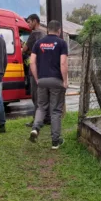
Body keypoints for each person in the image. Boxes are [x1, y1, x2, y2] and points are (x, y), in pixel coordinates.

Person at [29, 20, 68, 150]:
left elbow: (32, 62)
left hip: (42, 80)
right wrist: (65, 80)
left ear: (47, 30)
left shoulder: (38, 43)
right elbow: (63, 63)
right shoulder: (62, 43)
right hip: (56, 80)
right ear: (59, 30)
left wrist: (37, 78)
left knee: (41, 107)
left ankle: (35, 128)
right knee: (55, 111)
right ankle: (55, 141)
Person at [22, 14, 50, 127]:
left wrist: (27, 51)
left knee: (35, 96)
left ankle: (37, 120)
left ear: (35, 21)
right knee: (44, 95)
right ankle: (47, 118)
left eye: (29, 22)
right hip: (45, 69)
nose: (28, 24)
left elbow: (24, 50)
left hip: (35, 69)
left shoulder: (34, 34)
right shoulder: (44, 34)